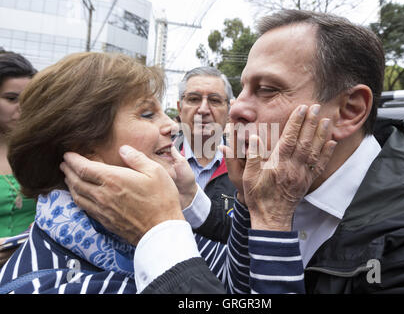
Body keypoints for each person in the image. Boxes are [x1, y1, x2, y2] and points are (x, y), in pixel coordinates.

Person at [60, 9, 404, 294]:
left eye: (268, 90)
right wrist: (237, 206)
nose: (238, 108)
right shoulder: (287, 182)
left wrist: (161, 237)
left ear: (349, 111)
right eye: (243, 88)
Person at [0, 52, 249, 294]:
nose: (173, 127)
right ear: (84, 146)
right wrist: (160, 230)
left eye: (215, 100)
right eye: (147, 114)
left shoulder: (155, 227)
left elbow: (241, 281)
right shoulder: (47, 285)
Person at [175, 67, 236, 242]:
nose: (203, 109)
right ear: (180, 108)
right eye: (193, 99)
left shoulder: (245, 167)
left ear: (229, 111)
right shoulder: (158, 162)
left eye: (215, 100)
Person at [0, 51, 37, 244]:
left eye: (27, 99)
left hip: (30, 267)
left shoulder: (42, 151)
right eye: (11, 98)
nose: (21, 107)